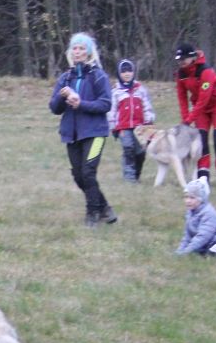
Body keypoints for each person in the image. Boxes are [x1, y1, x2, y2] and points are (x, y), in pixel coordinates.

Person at [49, 32, 116, 227]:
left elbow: (105, 104)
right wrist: (63, 97)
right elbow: (54, 108)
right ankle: (105, 208)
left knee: (88, 173)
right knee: (78, 176)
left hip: (96, 134)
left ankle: (93, 213)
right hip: (72, 135)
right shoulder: (65, 77)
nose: (77, 52)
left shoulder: (98, 76)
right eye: (74, 48)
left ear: (89, 53)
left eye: (81, 48)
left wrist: (81, 103)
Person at [174, 43, 216, 187]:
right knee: (202, 142)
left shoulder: (206, 71)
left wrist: (189, 120)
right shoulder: (181, 74)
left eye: (184, 59)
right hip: (201, 111)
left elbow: (203, 99)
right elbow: (182, 97)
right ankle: (203, 179)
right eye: (179, 60)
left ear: (192, 57)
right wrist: (184, 119)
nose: (181, 62)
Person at [107, 58, 155, 182]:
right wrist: (113, 127)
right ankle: (129, 177)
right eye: (123, 71)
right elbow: (111, 111)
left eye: (129, 71)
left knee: (140, 151)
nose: (127, 74)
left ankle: (137, 174)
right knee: (128, 148)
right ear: (119, 74)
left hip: (140, 127)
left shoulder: (141, 90)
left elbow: (147, 106)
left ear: (133, 72)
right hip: (123, 126)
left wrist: (149, 121)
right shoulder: (116, 92)